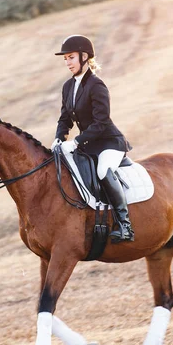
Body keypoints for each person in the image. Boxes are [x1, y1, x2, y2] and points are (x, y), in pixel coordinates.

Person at [51, 34, 134, 242]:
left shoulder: (96, 85)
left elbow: (101, 122)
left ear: (84, 56)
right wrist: (59, 138)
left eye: (71, 57)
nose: (67, 63)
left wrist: (77, 141)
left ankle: (125, 225)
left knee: (102, 170)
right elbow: (64, 119)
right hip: (89, 145)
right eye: (65, 59)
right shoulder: (68, 87)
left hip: (109, 142)